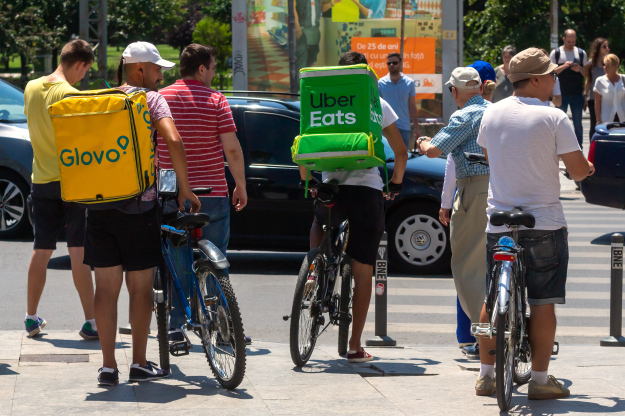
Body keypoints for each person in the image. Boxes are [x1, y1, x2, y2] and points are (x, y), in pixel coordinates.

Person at [475, 47, 594, 399]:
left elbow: (491, 159)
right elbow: (577, 171)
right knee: (542, 302)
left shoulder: (491, 113)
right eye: (552, 75)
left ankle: (486, 376)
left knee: (491, 296)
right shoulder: (554, 117)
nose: (555, 80)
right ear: (537, 79)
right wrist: (587, 168)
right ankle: (540, 381)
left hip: (498, 221)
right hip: (544, 222)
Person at [90, 41, 200, 386]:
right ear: (139, 69)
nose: (160, 76)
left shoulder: (102, 98)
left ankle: (108, 367)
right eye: (156, 69)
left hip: (100, 205)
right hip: (140, 207)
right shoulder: (151, 99)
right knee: (140, 289)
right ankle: (138, 362)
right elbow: (174, 140)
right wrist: (184, 188)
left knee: (105, 289)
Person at [300, 51, 407, 363]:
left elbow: (304, 143)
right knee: (363, 271)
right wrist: (395, 184)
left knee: (320, 222)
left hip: (331, 187)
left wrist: (308, 180)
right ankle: (355, 346)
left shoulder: (321, 99)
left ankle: (313, 269)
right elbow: (400, 152)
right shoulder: (377, 103)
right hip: (366, 192)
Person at [159, 44, 248, 343]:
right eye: (212, 68)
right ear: (201, 69)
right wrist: (240, 185)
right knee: (217, 260)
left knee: (177, 262)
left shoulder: (161, 99)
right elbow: (231, 149)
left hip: (173, 194)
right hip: (212, 193)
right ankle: (223, 327)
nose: (213, 74)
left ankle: (175, 326)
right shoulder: (216, 100)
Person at [23, 39, 98, 340]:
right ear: (80, 64)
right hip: (72, 182)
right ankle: (91, 322)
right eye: (86, 71)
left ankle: (30, 318)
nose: (84, 77)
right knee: (78, 250)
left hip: (41, 179)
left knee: (41, 248)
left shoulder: (31, 87)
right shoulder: (69, 94)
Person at [418, 67, 490, 356]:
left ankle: (485, 335)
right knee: (495, 264)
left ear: (455, 91)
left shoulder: (465, 116)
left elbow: (435, 151)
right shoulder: (496, 111)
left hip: (475, 191)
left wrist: (422, 142)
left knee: (467, 267)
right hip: (505, 191)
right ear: (480, 88)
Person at [550, 29, 589, 149]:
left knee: (578, 124)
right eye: (569, 42)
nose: (571, 44)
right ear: (564, 39)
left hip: (577, 94)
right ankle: (559, 148)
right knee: (559, 123)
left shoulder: (581, 53)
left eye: (573, 42)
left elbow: (587, 74)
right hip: (560, 94)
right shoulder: (556, 53)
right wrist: (563, 66)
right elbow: (551, 73)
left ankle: (579, 149)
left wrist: (580, 69)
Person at [378, 52, 421, 149]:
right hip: (386, 127)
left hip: (404, 127)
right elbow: (377, 106)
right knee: (386, 156)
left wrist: (417, 128)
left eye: (394, 62)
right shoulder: (381, 83)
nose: (391, 65)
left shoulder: (409, 83)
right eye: (389, 63)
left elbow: (412, 106)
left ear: (400, 63)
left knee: (403, 156)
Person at [584, 38, 609, 139]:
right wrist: (585, 95)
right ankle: (593, 146)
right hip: (593, 98)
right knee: (594, 124)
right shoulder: (591, 63)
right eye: (604, 46)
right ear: (598, 48)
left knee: (606, 123)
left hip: (607, 99)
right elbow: (588, 80)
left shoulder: (608, 63)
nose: (607, 48)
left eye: (607, 46)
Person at [593, 54, 625, 125]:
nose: (605, 67)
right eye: (604, 65)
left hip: (623, 117)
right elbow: (597, 103)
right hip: (607, 118)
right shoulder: (600, 81)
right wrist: (598, 120)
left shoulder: (623, 79)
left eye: (608, 66)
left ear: (615, 66)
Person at [295, 0, 321, 71]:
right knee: (302, 60)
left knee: (311, 58)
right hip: (302, 30)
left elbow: (320, 8)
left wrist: (332, 3)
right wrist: (298, 29)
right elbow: (292, 9)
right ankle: (299, 77)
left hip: (314, 31)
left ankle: (303, 76)